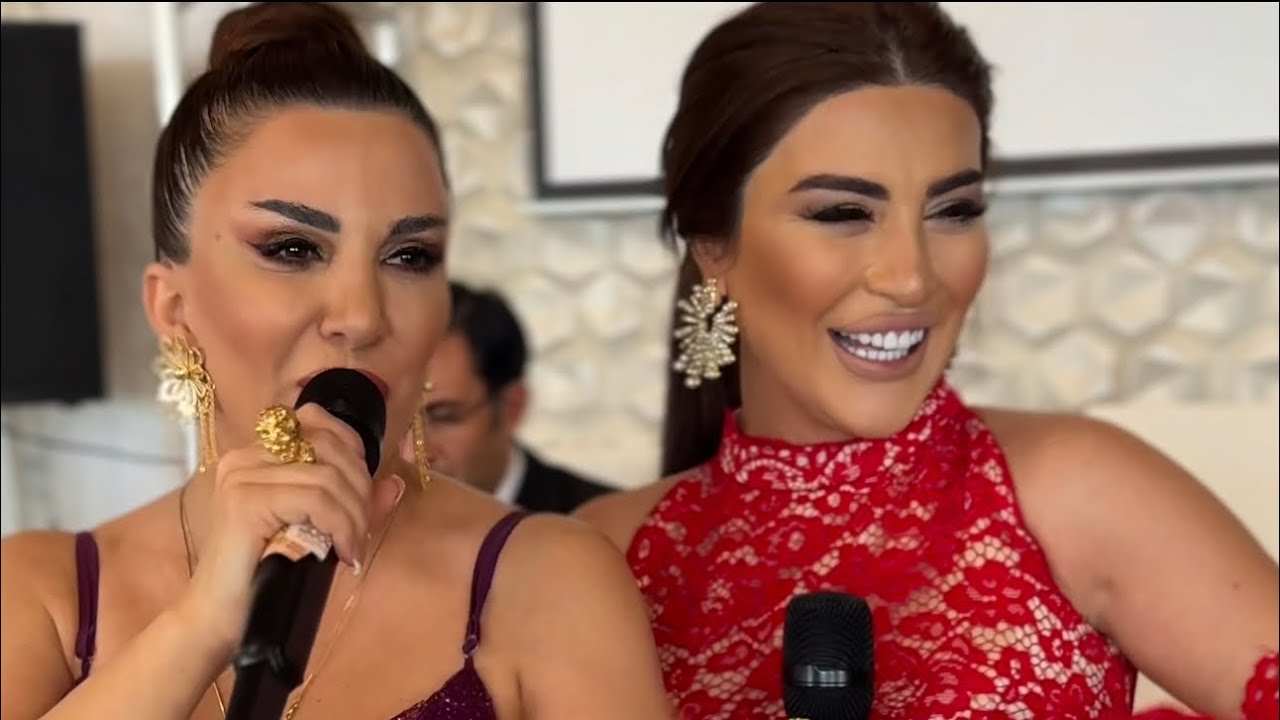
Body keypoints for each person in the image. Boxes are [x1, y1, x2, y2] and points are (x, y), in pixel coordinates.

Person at [575, 3, 1279, 719]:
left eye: (954, 212)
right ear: (712, 247)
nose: (911, 278)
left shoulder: (1081, 488)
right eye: (843, 214)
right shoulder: (603, 556)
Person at [0, 4, 671, 719]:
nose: (361, 315)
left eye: (408, 256)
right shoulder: (43, 594)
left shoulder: (551, 579)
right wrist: (199, 628)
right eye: (292, 249)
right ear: (172, 307)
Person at [421, 281, 612, 514]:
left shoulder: (600, 523)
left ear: (512, 407)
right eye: (397, 420)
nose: (412, 450)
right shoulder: (383, 521)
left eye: (443, 417)